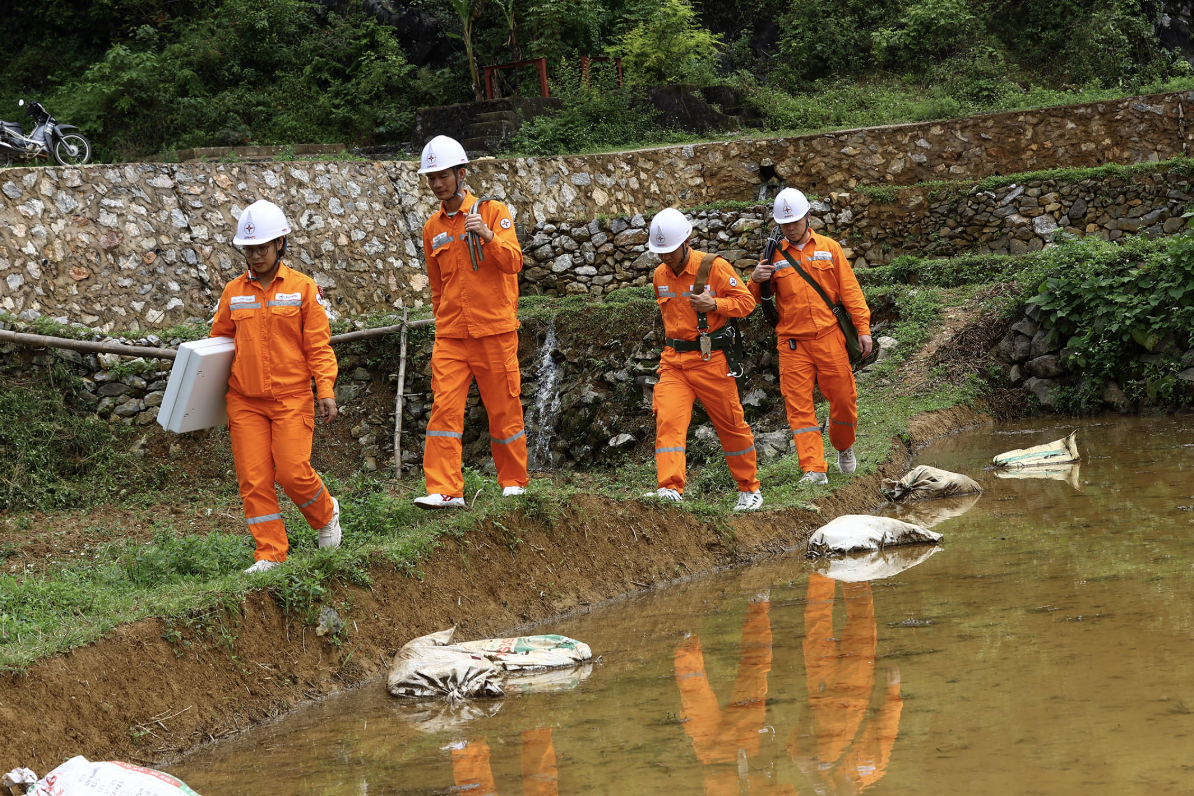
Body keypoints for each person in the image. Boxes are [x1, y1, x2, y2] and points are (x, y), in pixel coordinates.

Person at [211, 200, 341, 574]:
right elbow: (218, 345)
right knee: (254, 479)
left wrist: (326, 390)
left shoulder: (303, 288)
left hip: (291, 398)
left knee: (291, 472)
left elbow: (318, 346)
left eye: (262, 248)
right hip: (245, 401)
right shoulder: (233, 292)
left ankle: (326, 515)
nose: (255, 255)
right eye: (249, 249)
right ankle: (270, 553)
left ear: (280, 243)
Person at [414, 135, 528, 509]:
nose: (436, 184)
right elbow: (436, 286)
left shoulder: (493, 211)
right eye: (431, 178)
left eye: (442, 175)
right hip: (451, 335)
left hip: (494, 330)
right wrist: (442, 321)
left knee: (503, 408)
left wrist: (488, 235)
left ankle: (513, 482)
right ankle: (445, 490)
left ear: (461, 173)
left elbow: (514, 262)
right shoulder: (432, 227)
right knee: (444, 410)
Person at [749, 188, 872, 486]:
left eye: (795, 221)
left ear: (808, 217)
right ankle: (814, 468)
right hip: (792, 343)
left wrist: (864, 329)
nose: (790, 227)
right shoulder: (771, 257)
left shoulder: (830, 248)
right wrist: (754, 280)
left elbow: (850, 292)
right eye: (784, 223)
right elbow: (749, 302)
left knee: (844, 398)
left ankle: (843, 444)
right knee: (798, 405)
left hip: (830, 337)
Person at [648, 207, 762, 511]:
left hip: (711, 360)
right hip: (674, 361)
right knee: (668, 419)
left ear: (686, 241)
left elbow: (747, 302)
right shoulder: (659, 274)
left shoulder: (714, 267)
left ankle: (749, 489)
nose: (665, 257)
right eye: (660, 252)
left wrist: (716, 303)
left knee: (731, 425)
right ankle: (670, 488)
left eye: (670, 250)